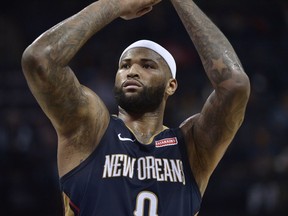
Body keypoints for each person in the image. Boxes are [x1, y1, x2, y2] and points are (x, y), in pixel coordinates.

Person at [21, 0, 250, 215]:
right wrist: (117, 4)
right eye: (125, 65)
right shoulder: (90, 129)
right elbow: (39, 59)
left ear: (171, 85)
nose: (132, 71)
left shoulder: (191, 147)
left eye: (147, 66)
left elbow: (235, 85)